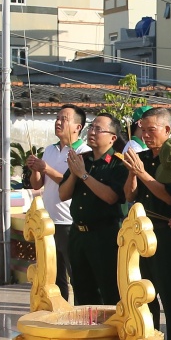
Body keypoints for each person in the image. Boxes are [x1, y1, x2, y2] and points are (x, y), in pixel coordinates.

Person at [120, 107, 171, 340]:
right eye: (144, 130)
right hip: (140, 234)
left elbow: (170, 197)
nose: (147, 135)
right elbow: (129, 196)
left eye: (152, 130)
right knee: (144, 293)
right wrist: (132, 172)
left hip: (164, 232)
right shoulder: (140, 158)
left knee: (170, 294)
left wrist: (143, 174)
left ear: (167, 130)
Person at [59, 112, 129, 306]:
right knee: (82, 290)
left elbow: (111, 197)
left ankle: (109, 334)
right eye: (91, 127)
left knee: (108, 290)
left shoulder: (118, 164)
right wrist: (75, 174)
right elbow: (63, 194)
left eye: (99, 129)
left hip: (104, 235)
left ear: (112, 138)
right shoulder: (82, 160)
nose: (92, 132)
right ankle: (86, 334)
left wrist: (83, 175)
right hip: (78, 235)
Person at [23, 104, 87, 301]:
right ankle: (60, 310)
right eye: (57, 118)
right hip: (49, 220)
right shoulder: (50, 150)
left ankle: (82, 311)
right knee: (54, 273)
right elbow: (37, 184)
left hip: (68, 219)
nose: (58, 122)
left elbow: (73, 183)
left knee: (75, 272)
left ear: (78, 127)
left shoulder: (83, 151)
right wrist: (36, 168)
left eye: (64, 119)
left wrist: (46, 168)